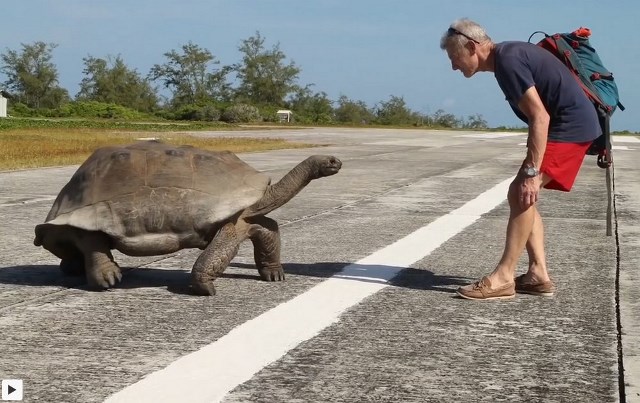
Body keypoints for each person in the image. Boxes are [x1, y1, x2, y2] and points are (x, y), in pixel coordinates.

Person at [439, 18, 601, 300]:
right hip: (568, 126)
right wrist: (529, 169)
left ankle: (503, 276)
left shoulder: (508, 62)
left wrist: (531, 173)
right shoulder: (508, 57)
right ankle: (538, 274)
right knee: (523, 195)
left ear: (472, 46)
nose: (454, 66)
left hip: (570, 127)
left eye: (455, 58)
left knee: (522, 191)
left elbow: (540, 116)